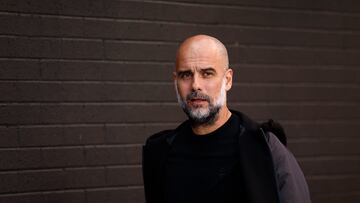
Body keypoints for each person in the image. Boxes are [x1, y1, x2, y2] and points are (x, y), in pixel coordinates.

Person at [142, 35, 311, 203]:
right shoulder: (160, 153)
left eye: (207, 73)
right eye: (186, 75)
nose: (195, 85)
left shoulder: (265, 149)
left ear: (227, 80)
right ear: (175, 82)